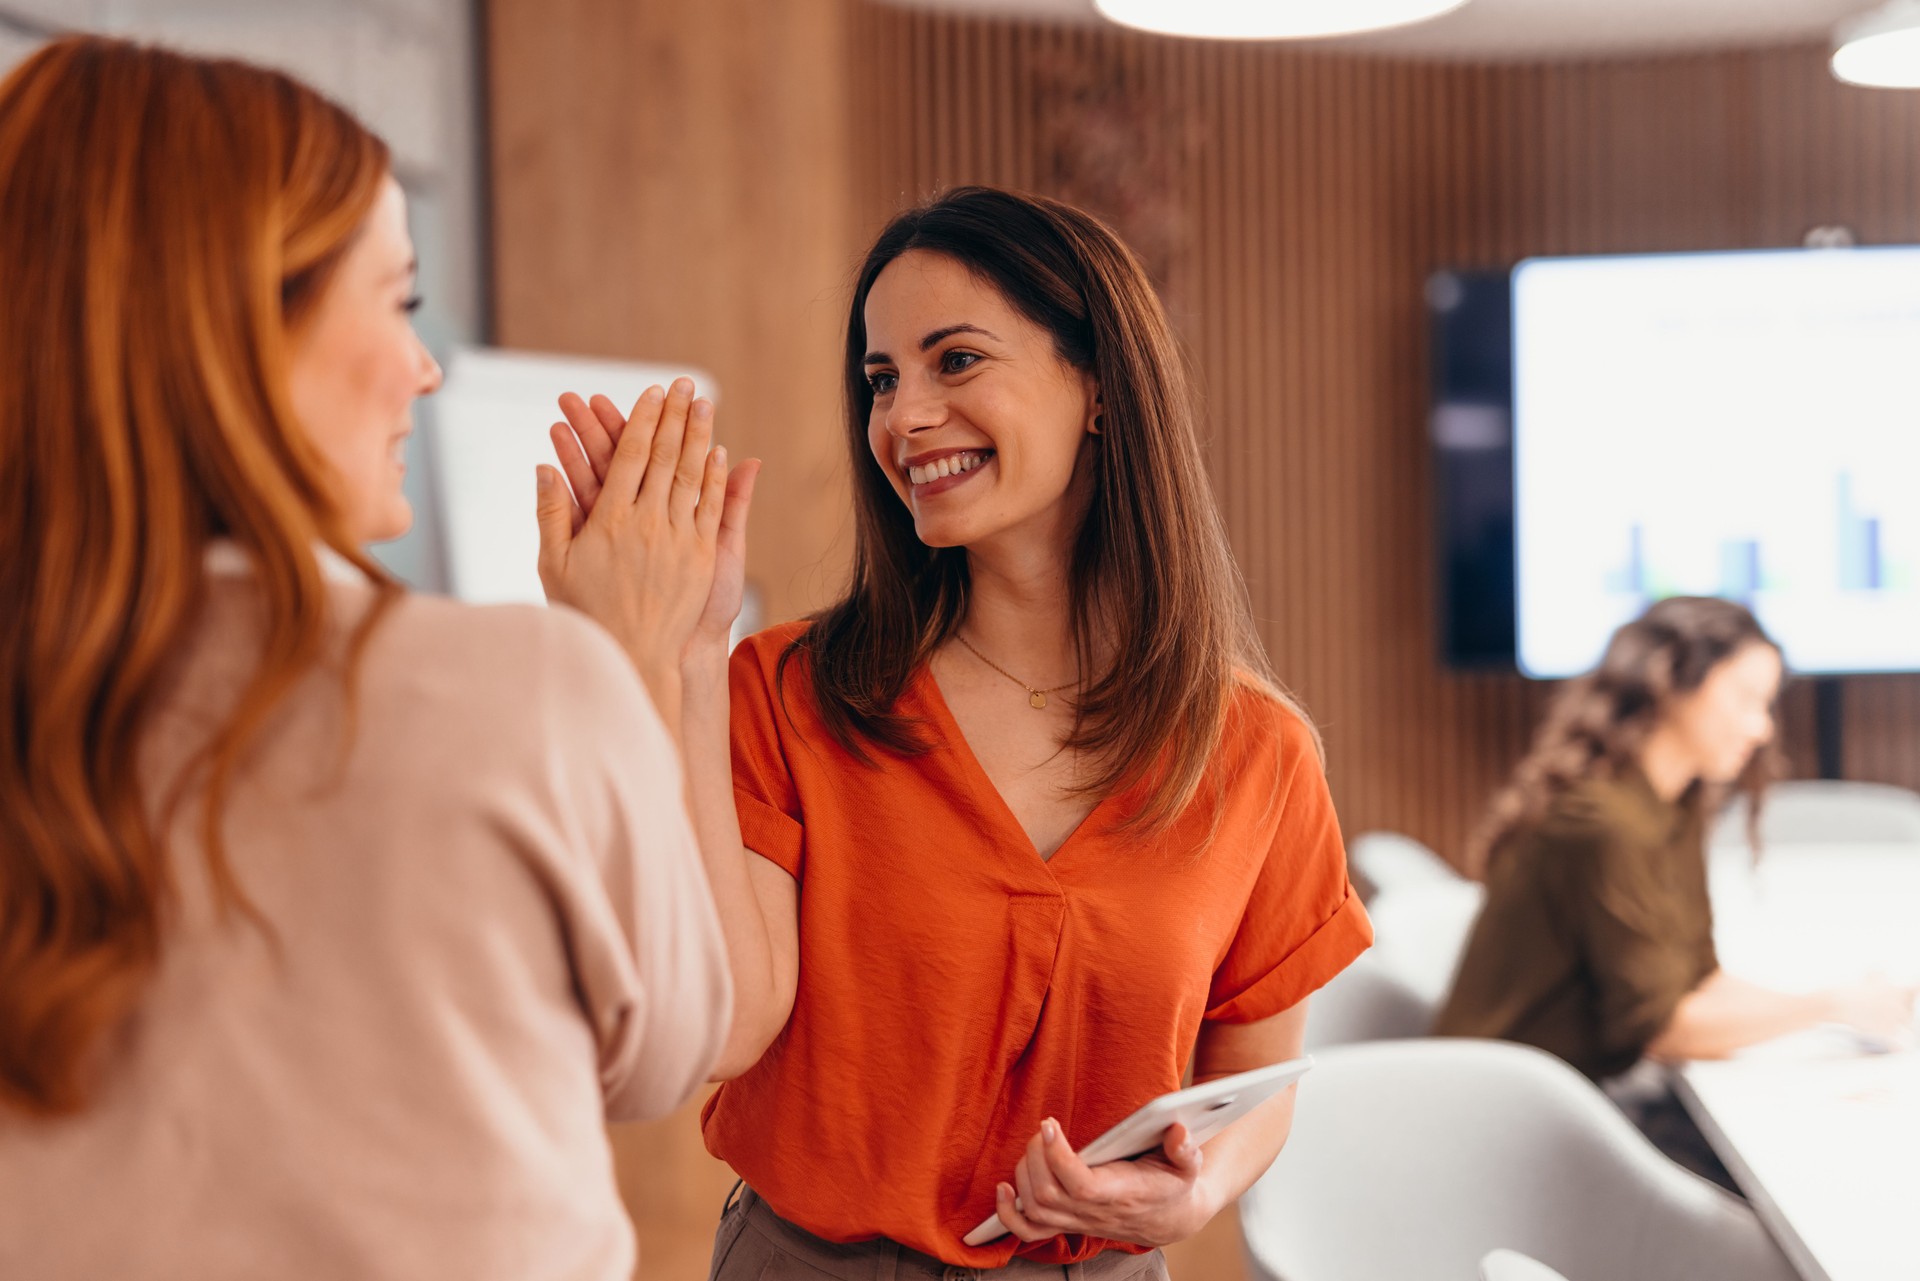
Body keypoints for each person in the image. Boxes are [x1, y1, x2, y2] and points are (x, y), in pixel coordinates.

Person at [0, 37, 736, 1280]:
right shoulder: (536, 692)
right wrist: (630, 656)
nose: (426, 367)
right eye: (398, 301)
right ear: (233, 328)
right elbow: (669, 1049)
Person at [542, 186, 1372, 1279]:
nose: (903, 417)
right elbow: (734, 1028)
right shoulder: (788, 690)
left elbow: (1261, 1080)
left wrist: (1195, 1188)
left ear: (1099, 390)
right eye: (881, 379)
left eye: (956, 361)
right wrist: (687, 652)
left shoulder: (1257, 751)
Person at [1435, 597, 1916, 1178]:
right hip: (1508, 1129)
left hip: (1569, 1096)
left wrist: (1836, 1006)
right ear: (1672, 686)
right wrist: (1828, 1005)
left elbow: (1696, 984)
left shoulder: (1671, 802)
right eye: (1745, 699)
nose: (1762, 728)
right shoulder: (1606, 823)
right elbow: (1668, 1028)